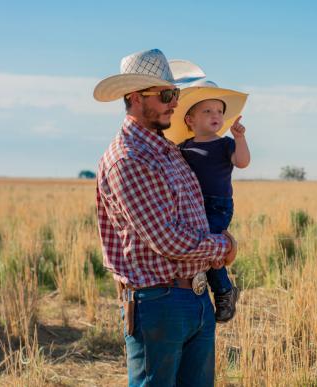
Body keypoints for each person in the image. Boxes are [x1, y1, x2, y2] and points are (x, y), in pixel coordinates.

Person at [93, 49, 237, 387]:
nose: (175, 103)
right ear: (134, 98)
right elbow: (168, 239)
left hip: (194, 297)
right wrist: (223, 247)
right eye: (167, 95)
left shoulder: (169, 149)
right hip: (158, 302)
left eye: (175, 94)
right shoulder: (128, 158)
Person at [165, 60, 249, 323]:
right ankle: (207, 287)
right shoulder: (183, 148)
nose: (216, 115)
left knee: (209, 245)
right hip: (191, 205)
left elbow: (243, 162)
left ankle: (224, 290)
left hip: (217, 206)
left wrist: (239, 138)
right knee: (199, 246)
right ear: (189, 119)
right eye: (207, 111)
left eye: (219, 111)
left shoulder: (225, 144)